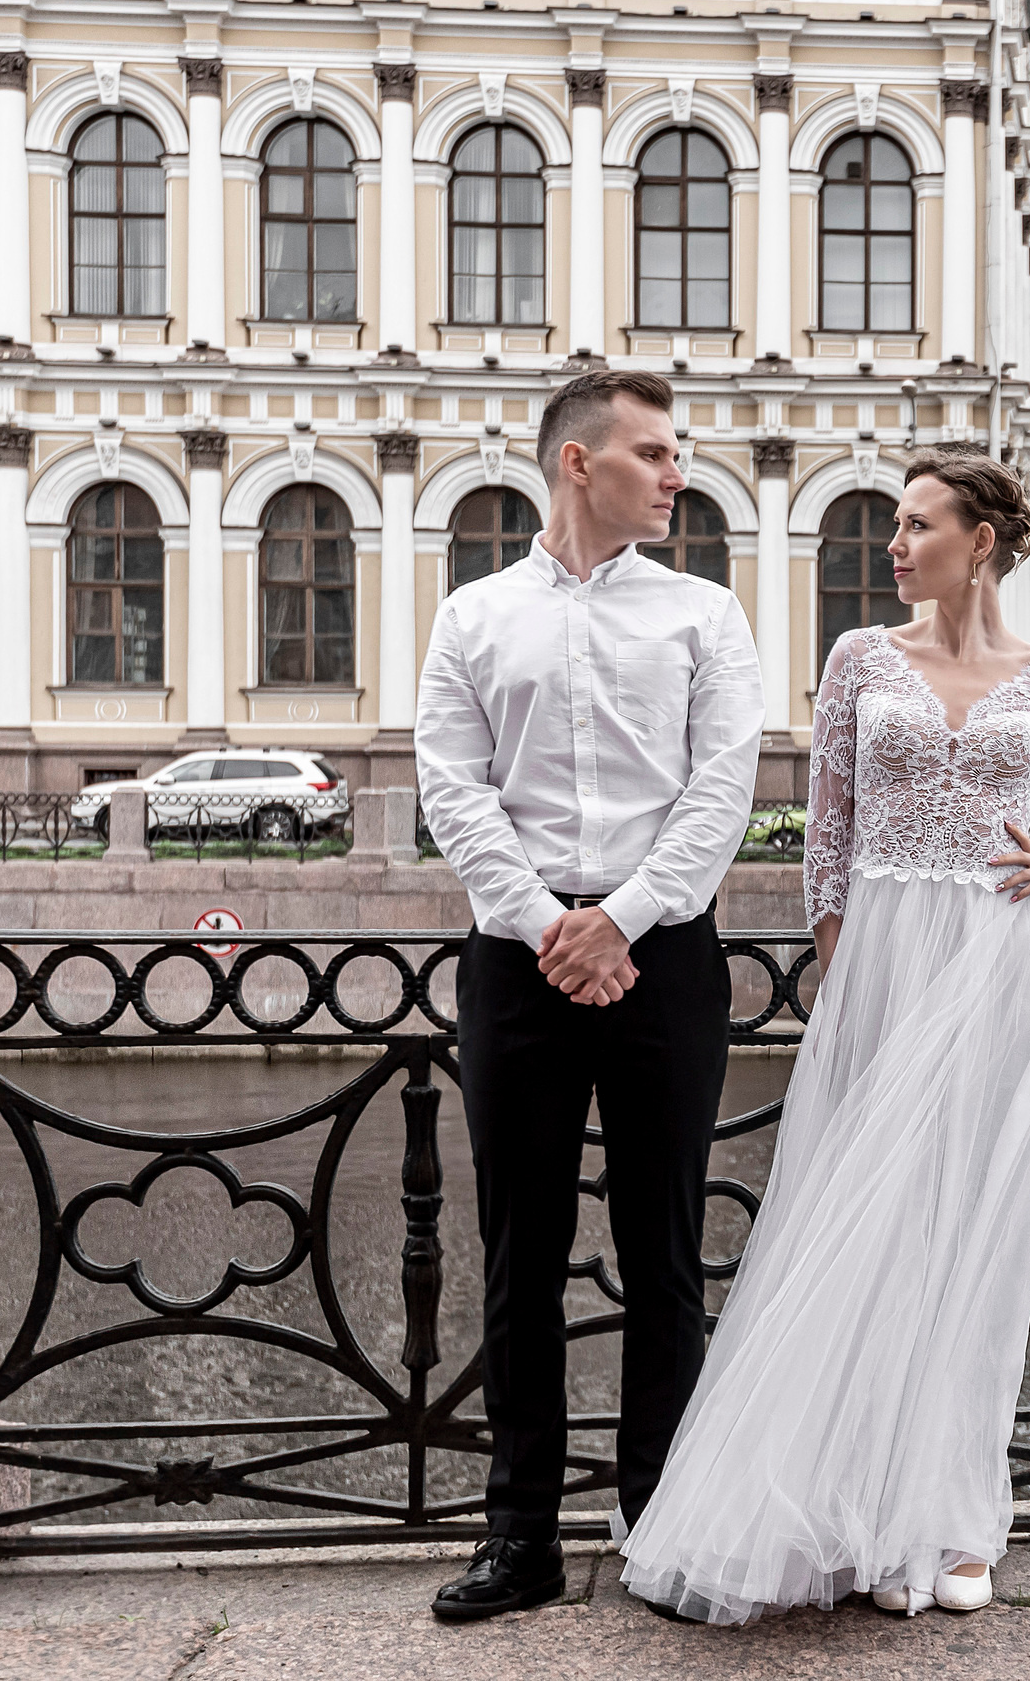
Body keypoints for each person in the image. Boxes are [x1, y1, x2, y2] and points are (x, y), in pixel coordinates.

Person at [615, 446, 1030, 1626]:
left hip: (1005, 967)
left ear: (982, 542)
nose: (894, 545)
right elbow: (827, 836)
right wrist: (840, 974)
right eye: (896, 525)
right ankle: (843, 1508)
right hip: (882, 962)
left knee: (973, 1241)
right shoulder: (860, 659)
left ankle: (949, 1514)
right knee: (858, 1229)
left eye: (917, 526)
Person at [415, 370, 763, 1621]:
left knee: (663, 1250)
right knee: (520, 1254)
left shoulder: (704, 615)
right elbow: (453, 789)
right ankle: (520, 1538)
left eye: (675, 455)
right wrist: (544, 924)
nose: (677, 474)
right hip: (518, 960)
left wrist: (619, 920)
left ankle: (660, 1523)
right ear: (579, 462)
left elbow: (721, 792)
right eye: (654, 453)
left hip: (662, 951)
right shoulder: (473, 617)